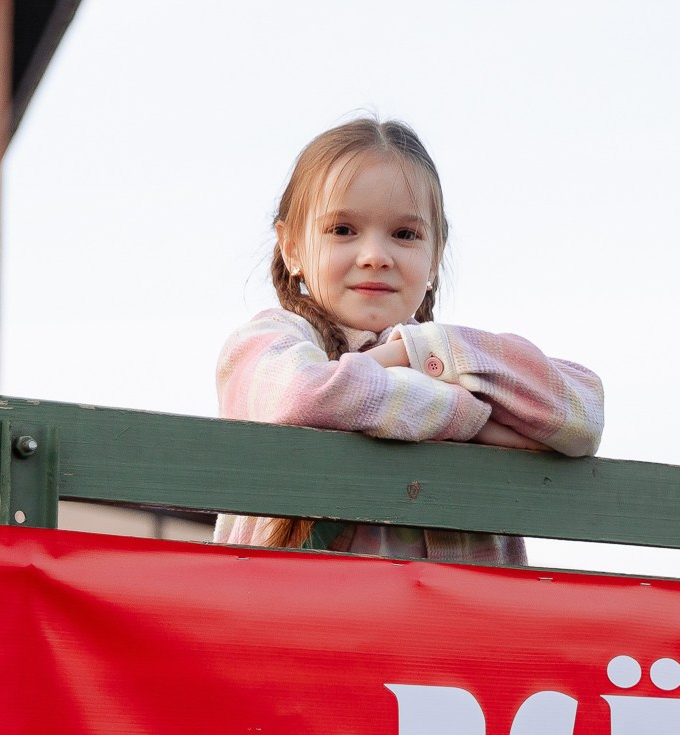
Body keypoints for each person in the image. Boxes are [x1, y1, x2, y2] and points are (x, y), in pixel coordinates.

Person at [212, 118, 604, 562]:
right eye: (342, 229)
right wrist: (473, 419)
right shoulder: (264, 342)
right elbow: (303, 395)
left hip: (461, 609)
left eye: (404, 234)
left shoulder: (457, 352)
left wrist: (411, 354)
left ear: (435, 254)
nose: (375, 256)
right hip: (307, 607)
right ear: (291, 248)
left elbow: (584, 411)